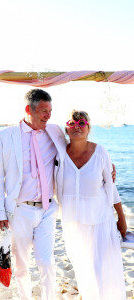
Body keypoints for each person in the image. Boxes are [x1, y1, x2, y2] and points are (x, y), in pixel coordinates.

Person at [0, 89, 67, 300]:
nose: (48, 116)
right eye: (44, 111)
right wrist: (0, 212)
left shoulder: (56, 132)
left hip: (48, 209)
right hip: (19, 211)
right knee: (21, 264)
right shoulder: (4, 137)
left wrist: (106, 166)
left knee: (46, 262)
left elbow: (76, 151)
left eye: (50, 111)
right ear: (28, 109)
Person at [54, 109, 127, 300]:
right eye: (72, 123)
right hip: (73, 222)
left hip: (100, 221)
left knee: (100, 267)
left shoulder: (100, 152)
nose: (77, 127)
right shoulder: (59, 153)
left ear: (88, 128)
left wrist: (121, 217)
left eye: (81, 123)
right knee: (82, 266)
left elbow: (111, 187)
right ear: (66, 128)